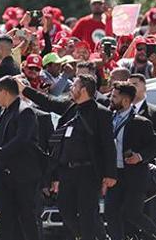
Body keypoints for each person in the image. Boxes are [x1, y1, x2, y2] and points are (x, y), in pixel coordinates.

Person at [21, 74, 116, 240]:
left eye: (75, 86)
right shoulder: (70, 107)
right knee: (65, 210)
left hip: (88, 172)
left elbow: (108, 145)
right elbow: (48, 101)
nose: (71, 89)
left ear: (84, 90)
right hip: (67, 171)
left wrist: (110, 174)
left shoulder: (101, 113)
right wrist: (25, 90)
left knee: (88, 214)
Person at [0, 77, 41, 240]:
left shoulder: (24, 111)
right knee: (5, 221)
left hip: (22, 178)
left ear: (4, 92)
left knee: (26, 220)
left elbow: (21, 141)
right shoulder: (5, 112)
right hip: (4, 178)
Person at [105, 82, 156, 240]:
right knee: (111, 212)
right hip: (115, 174)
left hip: (135, 176)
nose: (111, 98)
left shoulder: (141, 122)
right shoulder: (108, 118)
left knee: (132, 213)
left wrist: (140, 156)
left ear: (125, 101)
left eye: (114, 96)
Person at [0, 35, 21, 123]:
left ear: (0, 48)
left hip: (2, 114)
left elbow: (0, 92)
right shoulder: (16, 65)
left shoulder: (4, 67)